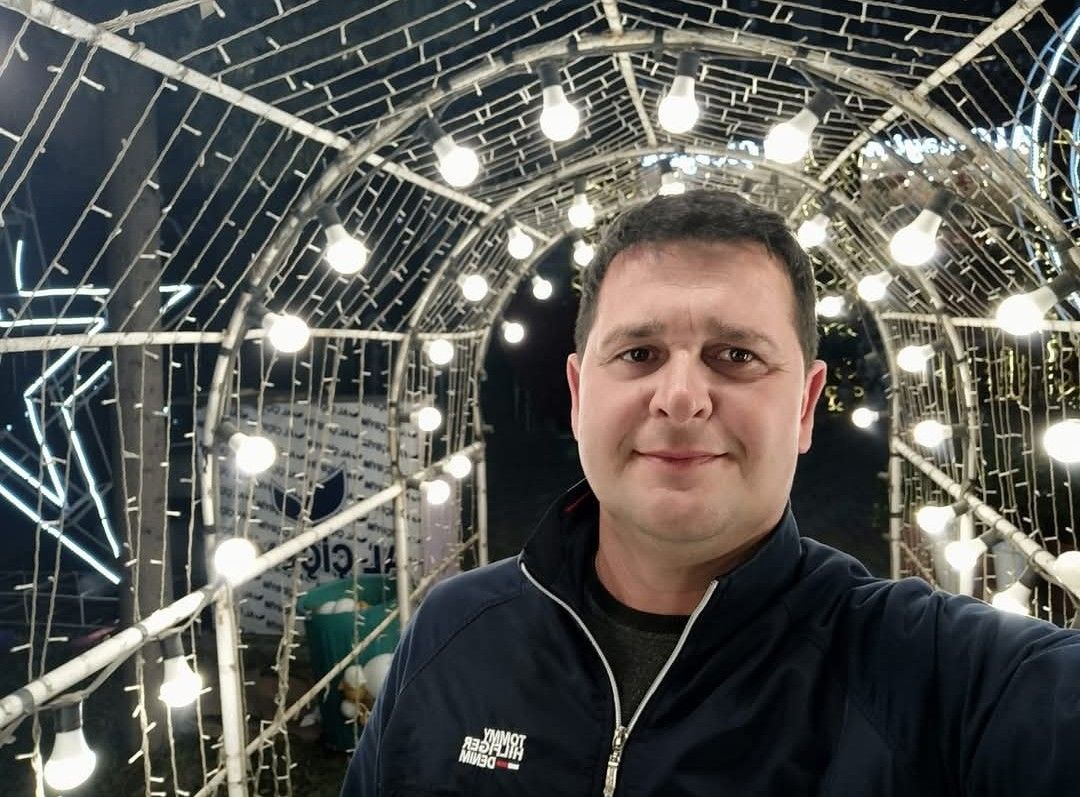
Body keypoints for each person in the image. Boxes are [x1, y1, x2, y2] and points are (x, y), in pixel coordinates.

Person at [341, 189, 1080, 796]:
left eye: (736, 355)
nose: (682, 397)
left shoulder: (936, 675)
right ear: (579, 393)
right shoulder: (454, 632)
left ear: (803, 406)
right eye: (639, 352)